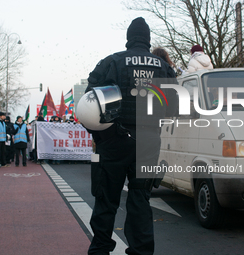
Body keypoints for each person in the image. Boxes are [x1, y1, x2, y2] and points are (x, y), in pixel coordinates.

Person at [85, 17, 177, 255]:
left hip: (115, 138)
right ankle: (141, 250)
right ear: (147, 39)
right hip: (148, 141)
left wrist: (100, 136)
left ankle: (101, 249)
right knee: (140, 199)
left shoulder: (112, 62)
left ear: (128, 38)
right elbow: (175, 106)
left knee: (106, 198)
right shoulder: (163, 66)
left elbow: (88, 104)